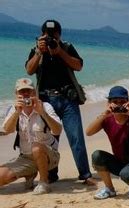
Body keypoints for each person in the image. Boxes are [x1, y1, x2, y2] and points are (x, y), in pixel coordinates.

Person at [25, 19, 95, 185]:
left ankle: (85, 174)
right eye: (47, 35)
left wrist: (60, 52)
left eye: (54, 34)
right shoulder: (36, 50)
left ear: (59, 35)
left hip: (68, 99)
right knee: (49, 140)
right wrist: (39, 53)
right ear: (42, 35)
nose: (50, 37)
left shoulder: (67, 47)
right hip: (46, 101)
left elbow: (78, 66)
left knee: (76, 138)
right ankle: (51, 174)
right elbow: (29, 70)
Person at [85, 86, 129, 200]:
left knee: (126, 174)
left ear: (127, 102)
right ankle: (109, 189)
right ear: (109, 102)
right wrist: (104, 115)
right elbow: (88, 132)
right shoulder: (107, 119)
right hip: (119, 162)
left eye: (122, 102)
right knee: (97, 155)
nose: (118, 105)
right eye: (115, 102)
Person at [0, 78, 61, 195]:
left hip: (49, 156)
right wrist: (17, 112)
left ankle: (44, 182)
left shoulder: (45, 106)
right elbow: (7, 130)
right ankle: (30, 173)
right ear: (16, 94)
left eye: (28, 91)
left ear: (35, 92)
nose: (26, 94)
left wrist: (42, 112)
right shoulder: (14, 109)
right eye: (22, 92)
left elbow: (57, 130)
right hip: (26, 157)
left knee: (36, 147)